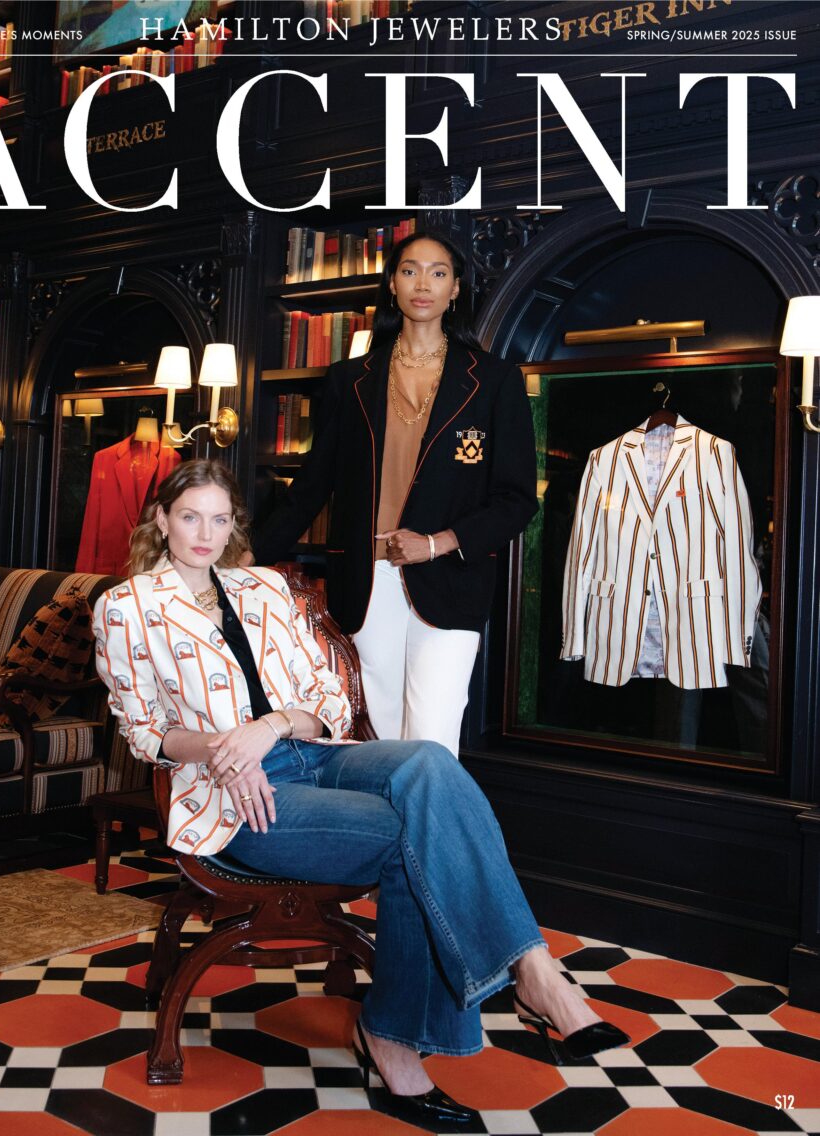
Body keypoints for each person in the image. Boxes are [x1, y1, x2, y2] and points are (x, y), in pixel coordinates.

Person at [93, 459, 628, 1131]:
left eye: (220, 519)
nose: (205, 534)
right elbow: (146, 732)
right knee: (416, 836)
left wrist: (270, 726)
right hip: (237, 795)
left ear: (235, 526)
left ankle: (530, 970)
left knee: (429, 763)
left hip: (313, 755)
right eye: (190, 517)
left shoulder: (264, 587)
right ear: (162, 520)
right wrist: (226, 750)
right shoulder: (127, 607)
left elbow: (326, 698)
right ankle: (426, 1027)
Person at [249, 231, 538, 757]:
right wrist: (248, 556)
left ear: (455, 289)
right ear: (392, 285)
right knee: (379, 735)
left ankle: (429, 816)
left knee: (431, 735)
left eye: (438, 273)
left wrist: (437, 543)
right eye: (409, 271)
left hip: (450, 580)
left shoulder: (495, 381)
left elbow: (517, 499)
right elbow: (311, 487)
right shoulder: (349, 379)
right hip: (367, 579)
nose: (422, 284)